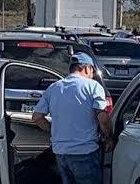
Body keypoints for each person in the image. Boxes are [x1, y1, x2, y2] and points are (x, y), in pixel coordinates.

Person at [32, 53, 114, 184]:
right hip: (84, 152)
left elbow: (37, 117)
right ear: (87, 68)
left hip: (60, 153)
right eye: (92, 70)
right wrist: (109, 138)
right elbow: (103, 118)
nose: (92, 74)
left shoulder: (54, 88)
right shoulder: (93, 86)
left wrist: (54, 131)